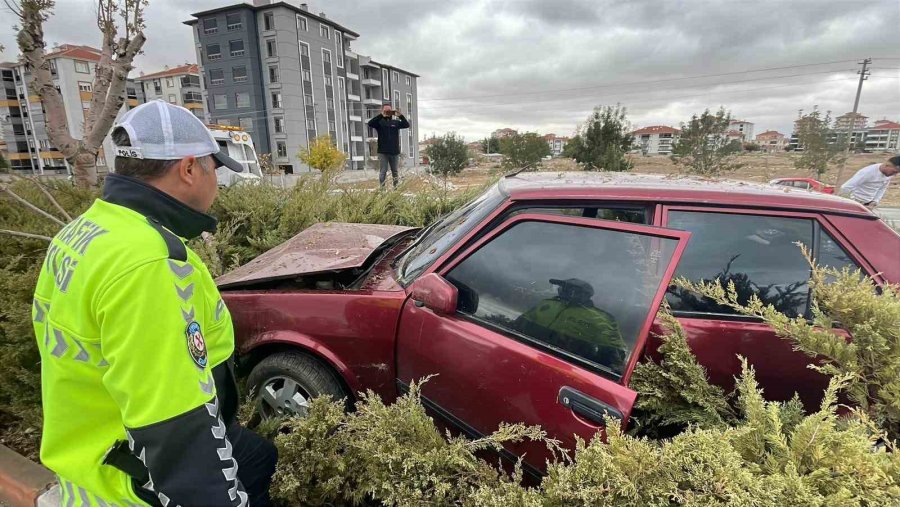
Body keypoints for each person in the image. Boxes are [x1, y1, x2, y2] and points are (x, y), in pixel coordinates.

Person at [32, 100, 276, 506]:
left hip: (87, 450)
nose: (217, 179)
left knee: (258, 457)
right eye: (213, 166)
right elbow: (178, 426)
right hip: (130, 479)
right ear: (188, 169)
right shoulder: (151, 265)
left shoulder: (87, 230)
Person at [514, 278, 627, 373]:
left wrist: (614, 366)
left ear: (582, 294)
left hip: (566, 368)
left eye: (569, 289)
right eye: (563, 287)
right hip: (528, 355)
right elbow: (518, 325)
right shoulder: (547, 304)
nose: (562, 290)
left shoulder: (600, 319)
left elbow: (614, 352)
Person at [367, 104, 410, 187]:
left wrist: (400, 116)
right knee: (383, 171)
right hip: (383, 152)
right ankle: (382, 190)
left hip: (394, 152)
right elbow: (370, 123)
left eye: (389, 111)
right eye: (386, 110)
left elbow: (406, 125)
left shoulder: (396, 123)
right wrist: (381, 115)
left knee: (395, 171)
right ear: (382, 111)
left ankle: (396, 190)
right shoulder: (379, 123)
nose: (388, 112)